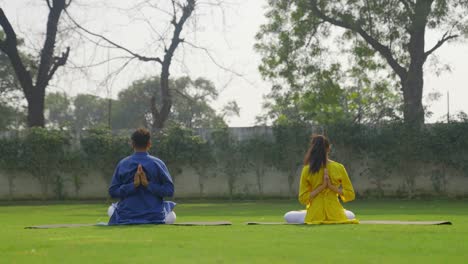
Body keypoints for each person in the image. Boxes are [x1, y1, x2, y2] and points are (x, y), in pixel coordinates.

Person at [107, 128, 176, 225]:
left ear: (132, 144)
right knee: (172, 214)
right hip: (154, 217)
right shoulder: (158, 163)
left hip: (126, 216)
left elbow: (112, 192)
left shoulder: (123, 163)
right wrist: (147, 185)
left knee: (111, 209)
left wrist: (133, 185)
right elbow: (169, 191)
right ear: (149, 144)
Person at [284, 134, 358, 224]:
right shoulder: (339, 167)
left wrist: (322, 187)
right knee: (350, 214)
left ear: (312, 149)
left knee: (288, 215)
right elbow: (350, 195)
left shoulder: (307, 169)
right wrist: (330, 187)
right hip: (336, 215)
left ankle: (306, 213)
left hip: (314, 216)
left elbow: (303, 199)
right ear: (328, 149)